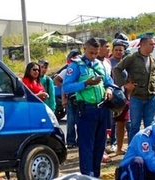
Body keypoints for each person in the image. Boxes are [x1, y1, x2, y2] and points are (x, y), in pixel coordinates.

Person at [63, 37, 114, 178]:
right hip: (86, 110)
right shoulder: (75, 65)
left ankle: (95, 176)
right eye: (91, 52)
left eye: (96, 53)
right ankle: (87, 177)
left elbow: (109, 82)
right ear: (84, 49)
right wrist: (85, 83)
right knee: (87, 149)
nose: (93, 56)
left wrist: (109, 90)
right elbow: (66, 87)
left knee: (99, 148)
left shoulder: (100, 64)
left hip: (102, 110)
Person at [114, 36, 155, 143]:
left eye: (153, 44)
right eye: (151, 44)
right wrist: (125, 84)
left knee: (151, 126)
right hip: (137, 97)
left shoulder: (153, 60)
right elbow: (117, 69)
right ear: (142, 45)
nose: (153, 47)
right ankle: (134, 150)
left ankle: (150, 147)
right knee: (135, 126)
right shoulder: (132, 58)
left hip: (151, 97)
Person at [54, 49, 81, 148]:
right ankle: (70, 142)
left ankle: (79, 141)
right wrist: (64, 97)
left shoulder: (82, 71)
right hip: (70, 99)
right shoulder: (67, 71)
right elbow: (57, 80)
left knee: (80, 121)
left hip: (81, 98)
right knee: (70, 121)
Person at [110, 39, 131, 155]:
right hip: (110, 97)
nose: (118, 52)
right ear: (112, 51)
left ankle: (119, 148)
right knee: (109, 125)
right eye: (116, 50)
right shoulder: (108, 63)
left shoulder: (126, 63)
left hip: (122, 97)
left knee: (121, 123)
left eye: (120, 50)